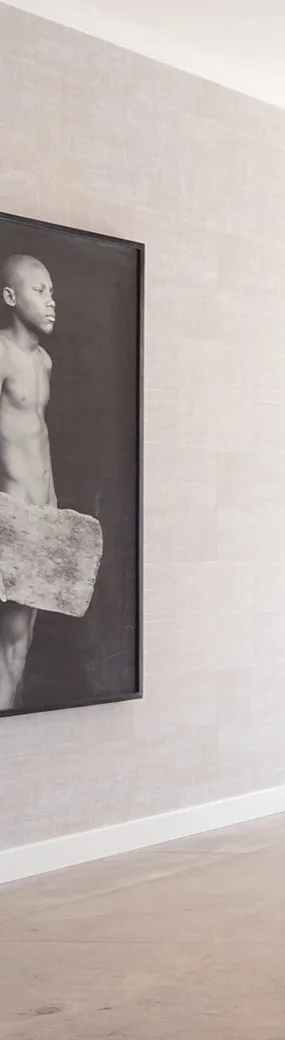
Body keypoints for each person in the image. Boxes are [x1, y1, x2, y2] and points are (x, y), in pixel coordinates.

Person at [0, 253, 59, 708]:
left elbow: (40, 442)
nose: (51, 301)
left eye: (52, 292)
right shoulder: (1, 352)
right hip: (13, 516)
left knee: (26, 636)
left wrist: (54, 510)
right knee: (12, 637)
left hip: (43, 515)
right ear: (10, 296)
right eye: (39, 291)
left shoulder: (44, 363)